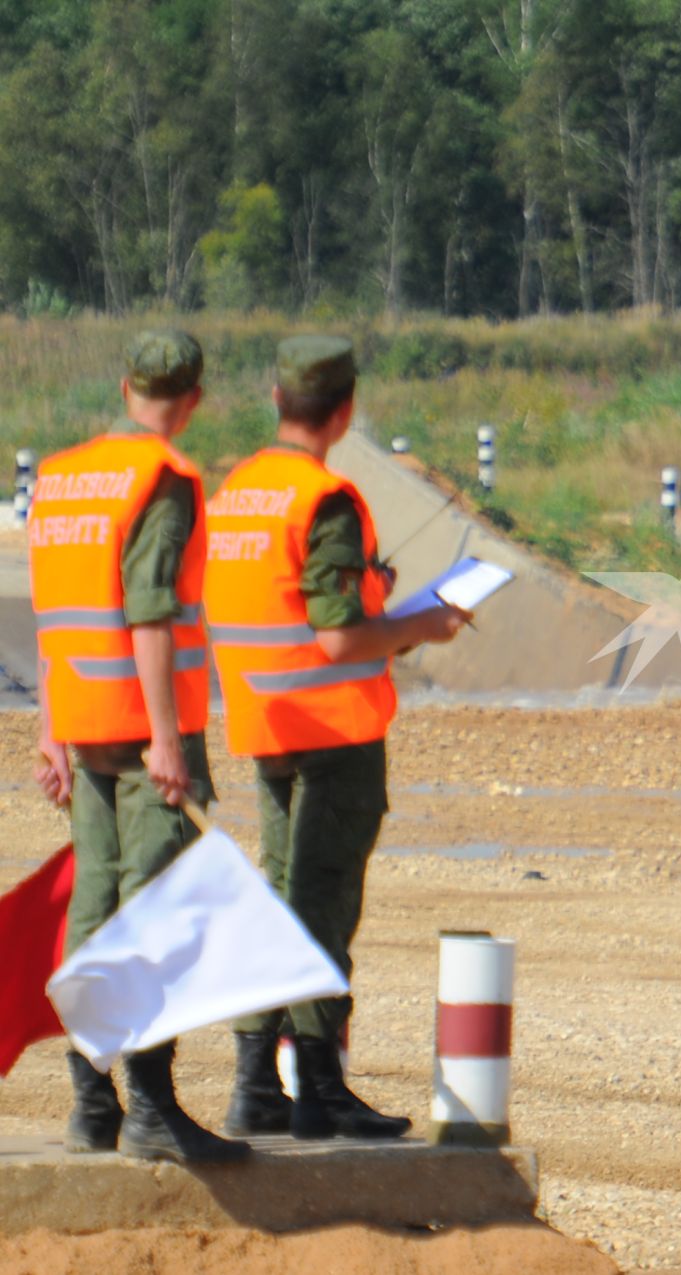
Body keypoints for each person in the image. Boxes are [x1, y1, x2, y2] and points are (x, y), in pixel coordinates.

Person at [205, 336, 468, 1141]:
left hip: (267, 724)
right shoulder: (326, 499)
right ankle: (319, 1084)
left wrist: (375, 599)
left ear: (276, 398)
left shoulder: (240, 491)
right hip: (333, 730)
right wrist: (421, 621)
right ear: (345, 411)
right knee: (320, 903)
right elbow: (339, 638)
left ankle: (256, 1081)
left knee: (278, 896)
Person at [28, 330, 248, 1164]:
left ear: (126, 388)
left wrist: (49, 728)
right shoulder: (162, 479)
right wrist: (165, 735)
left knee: (95, 905)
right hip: (143, 722)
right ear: (191, 399)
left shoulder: (61, 478)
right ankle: (151, 1107)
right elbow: (147, 612)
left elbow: (54, 610)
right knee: (159, 907)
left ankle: (93, 1104)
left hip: (81, 722)